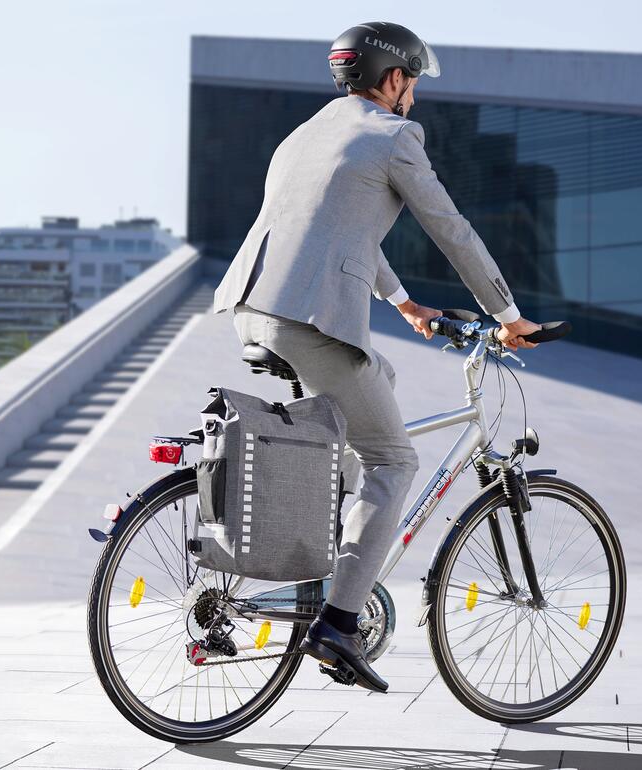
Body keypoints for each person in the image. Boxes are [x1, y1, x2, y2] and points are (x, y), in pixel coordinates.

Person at [213, 21, 541, 693]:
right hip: (310, 322)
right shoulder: (394, 136)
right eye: (412, 82)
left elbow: (340, 227)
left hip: (255, 308)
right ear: (391, 79)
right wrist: (508, 318)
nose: (414, 97)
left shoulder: (307, 136)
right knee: (395, 460)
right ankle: (338, 622)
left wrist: (403, 305)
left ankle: (330, 542)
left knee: (377, 379)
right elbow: (451, 228)